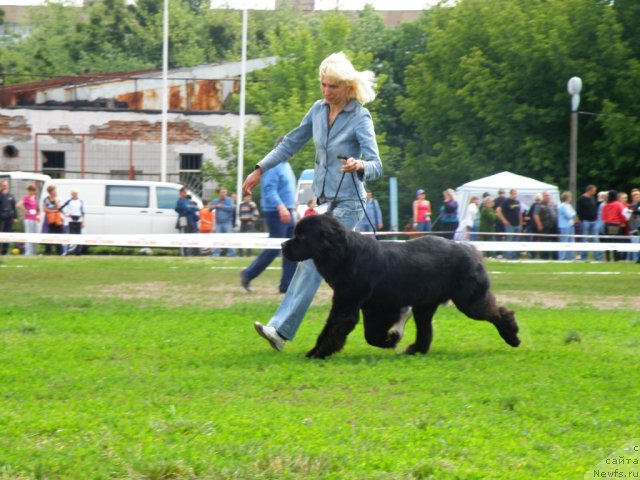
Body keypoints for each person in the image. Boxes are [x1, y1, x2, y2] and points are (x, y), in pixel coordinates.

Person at [243, 51, 384, 351]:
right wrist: (259, 169)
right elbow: (291, 142)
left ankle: (279, 331)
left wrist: (359, 165)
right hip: (322, 203)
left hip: (349, 203)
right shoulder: (318, 111)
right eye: (323, 84)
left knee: (310, 261)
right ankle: (397, 304)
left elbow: (377, 164)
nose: (326, 91)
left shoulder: (360, 117)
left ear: (347, 86)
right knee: (353, 270)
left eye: (332, 86)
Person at [241, 152, 297, 294]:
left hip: (287, 211)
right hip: (276, 212)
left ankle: (287, 285)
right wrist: (281, 207)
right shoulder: (273, 165)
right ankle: (248, 273)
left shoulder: (286, 165)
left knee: (292, 248)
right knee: (274, 248)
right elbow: (269, 189)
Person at [601, 190, 627, 261]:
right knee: (616, 241)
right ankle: (616, 258)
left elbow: (603, 217)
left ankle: (607, 258)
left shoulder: (606, 205)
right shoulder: (618, 204)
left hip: (607, 224)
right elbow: (622, 214)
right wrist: (623, 221)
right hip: (615, 224)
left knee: (607, 241)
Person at [576, 184, 600, 261]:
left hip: (593, 221)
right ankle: (584, 256)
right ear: (589, 190)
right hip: (585, 221)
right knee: (584, 239)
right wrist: (581, 219)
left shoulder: (592, 198)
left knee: (595, 239)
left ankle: (598, 257)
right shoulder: (581, 199)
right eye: (594, 191)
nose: (595, 192)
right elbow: (578, 210)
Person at [496, 189, 522, 260]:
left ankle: (514, 256)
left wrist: (520, 223)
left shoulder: (517, 202)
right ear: (510, 194)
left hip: (517, 224)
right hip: (510, 224)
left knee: (516, 240)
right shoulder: (506, 201)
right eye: (514, 193)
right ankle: (509, 256)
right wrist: (504, 220)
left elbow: (519, 213)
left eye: (516, 193)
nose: (515, 195)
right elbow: (498, 210)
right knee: (510, 239)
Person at [211, 187, 236, 257]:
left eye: (224, 192)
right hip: (218, 223)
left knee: (229, 238)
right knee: (217, 239)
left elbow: (232, 208)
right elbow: (210, 208)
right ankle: (216, 254)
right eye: (222, 192)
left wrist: (221, 206)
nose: (223, 194)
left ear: (226, 193)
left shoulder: (229, 200)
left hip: (227, 222)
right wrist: (215, 206)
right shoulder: (215, 201)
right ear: (219, 193)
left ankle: (231, 254)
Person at [174, 187, 199, 256]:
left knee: (192, 239)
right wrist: (191, 207)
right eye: (184, 192)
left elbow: (196, 208)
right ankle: (184, 254)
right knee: (184, 239)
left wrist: (190, 207)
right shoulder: (179, 201)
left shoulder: (188, 201)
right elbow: (186, 208)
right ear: (181, 193)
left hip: (192, 223)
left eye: (186, 192)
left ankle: (193, 254)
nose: (185, 194)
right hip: (184, 223)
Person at [17, 184, 40, 256]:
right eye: (32, 191)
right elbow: (18, 205)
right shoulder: (26, 198)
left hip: (34, 219)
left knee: (35, 235)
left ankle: (34, 252)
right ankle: (28, 252)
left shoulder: (35, 198)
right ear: (29, 191)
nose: (33, 192)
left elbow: (36, 209)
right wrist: (25, 210)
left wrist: (37, 216)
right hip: (28, 219)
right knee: (28, 235)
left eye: (34, 191)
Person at [60, 190, 85, 255]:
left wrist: (83, 221)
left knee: (79, 236)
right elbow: (61, 208)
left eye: (76, 193)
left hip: (78, 219)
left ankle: (78, 252)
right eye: (73, 194)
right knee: (71, 236)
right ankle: (68, 251)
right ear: (71, 194)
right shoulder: (69, 201)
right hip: (71, 220)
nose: (74, 195)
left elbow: (82, 212)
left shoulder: (80, 201)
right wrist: (66, 214)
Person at [42, 184, 64, 255]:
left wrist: (55, 201)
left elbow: (58, 208)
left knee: (59, 235)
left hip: (57, 220)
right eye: (54, 190)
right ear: (51, 192)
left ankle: (60, 251)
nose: (56, 192)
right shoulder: (46, 200)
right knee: (49, 235)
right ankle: (48, 251)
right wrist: (53, 211)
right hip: (50, 220)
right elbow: (45, 209)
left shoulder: (57, 199)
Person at [238, 193, 260, 257]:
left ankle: (249, 254)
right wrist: (240, 218)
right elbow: (240, 213)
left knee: (250, 238)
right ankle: (241, 254)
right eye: (247, 197)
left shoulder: (252, 204)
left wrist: (251, 220)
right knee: (241, 238)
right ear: (244, 197)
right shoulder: (241, 204)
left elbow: (256, 214)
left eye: (250, 197)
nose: (249, 198)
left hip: (249, 223)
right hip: (243, 223)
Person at [557, 191, 577, 261]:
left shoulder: (569, 205)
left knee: (571, 241)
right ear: (567, 198)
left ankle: (570, 257)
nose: (571, 198)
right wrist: (572, 214)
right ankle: (561, 257)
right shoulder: (562, 206)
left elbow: (574, 212)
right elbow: (569, 215)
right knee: (564, 242)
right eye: (570, 197)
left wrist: (572, 213)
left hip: (570, 225)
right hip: (564, 226)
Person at [0, 180, 18, 255]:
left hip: (9, 218)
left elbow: (14, 207)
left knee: (7, 235)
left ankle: (4, 251)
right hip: (1, 218)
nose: (5, 187)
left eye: (6, 185)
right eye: (3, 185)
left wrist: (15, 217)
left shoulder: (11, 196)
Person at [628, 188, 640, 263]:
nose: (636, 197)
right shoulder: (634, 204)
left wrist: (632, 211)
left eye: (637, 195)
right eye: (634, 195)